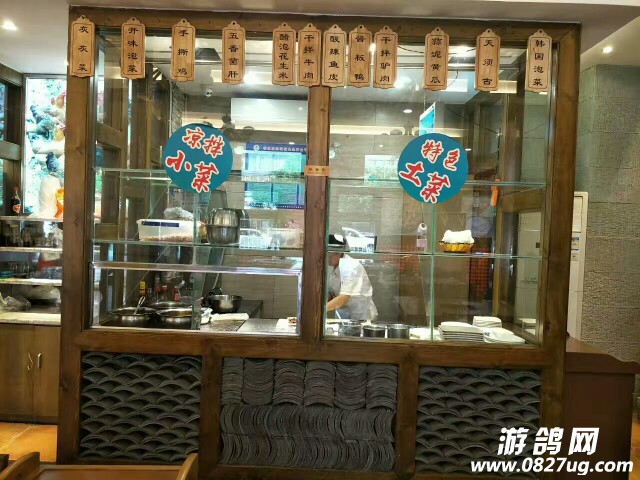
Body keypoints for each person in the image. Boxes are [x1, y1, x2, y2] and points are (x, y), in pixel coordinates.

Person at [326, 234, 378, 321]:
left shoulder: (351, 267)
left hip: (362, 315)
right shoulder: (330, 266)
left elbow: (343, 298)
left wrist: (321, 310)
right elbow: (330, 293)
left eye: (329, 254)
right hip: (344, 315)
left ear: (339, 253)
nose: (327, 257)